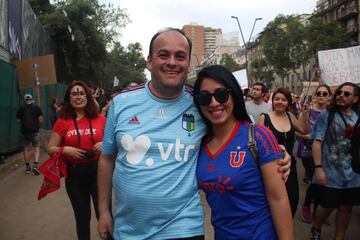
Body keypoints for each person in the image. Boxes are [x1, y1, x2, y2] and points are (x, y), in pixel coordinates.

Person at [97, 28, 291, 240]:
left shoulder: (199, 102)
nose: (172, 62)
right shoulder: (122, 102)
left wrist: (280, 155)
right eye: (164, 54)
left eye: (180, 56)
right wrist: (104, 211)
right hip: (129, 230)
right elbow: (107, 158)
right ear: (149, 61)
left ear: (188, 63)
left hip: (184, 228)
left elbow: (247, 132)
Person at [193, 65, 293, 240]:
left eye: (221, 94)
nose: (214, 103)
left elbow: (279, 200)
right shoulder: (197, 143)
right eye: (205, 97)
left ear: (234, 95)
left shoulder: (259, 137)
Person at [47, 80, 106, 240]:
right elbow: (50, 148)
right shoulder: (62, 122)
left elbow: (114, 142)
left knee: (105, 214)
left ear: (88, 96)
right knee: (82, 217)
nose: (78, 97)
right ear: (69, 98)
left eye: (81, 93)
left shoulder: (100, 119)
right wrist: (64, 149)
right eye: (74, 94)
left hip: (99, 173)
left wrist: (105, 143)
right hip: (74, 175)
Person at [310, 82, 360, 240]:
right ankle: (316, 227)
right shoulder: (327, 114)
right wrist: (318, 168)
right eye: (339, 93)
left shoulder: (358, 117)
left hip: (353, 175)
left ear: (356, 98)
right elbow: (317, 142)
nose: (341, 96)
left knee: (346, 208)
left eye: (346, 94)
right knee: (326, 206)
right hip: (330, 173)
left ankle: (339, 238)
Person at [259, 88, 309, 217]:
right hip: (270, 166)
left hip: (289, 165)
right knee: (271, 201)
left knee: (292, 199)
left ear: (288, 103)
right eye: (277, 99)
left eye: (283, 99)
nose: (280, 102)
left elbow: (303, 130)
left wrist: (304, 114)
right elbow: (257, 145)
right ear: (273, 101)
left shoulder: (291, 116)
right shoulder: (264, 118)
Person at [297, 85, 332, 223]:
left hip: (328, 154)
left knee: (323, 184)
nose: (322, 95)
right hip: (308, 153)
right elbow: (299, 133)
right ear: (315, 95)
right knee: (315, 182)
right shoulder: (307, 112)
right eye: (319, 93)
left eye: (325, 93)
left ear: (329, 96)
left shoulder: (333, 113)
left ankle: (319, 211)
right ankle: (306, 205)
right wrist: (313, 137)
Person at [16, 93, 43, 175]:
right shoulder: (36, 108)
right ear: (32, 100)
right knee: (36, 148)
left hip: (24, 132)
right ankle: (35, 165)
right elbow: (40, 120)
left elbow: (18, 120)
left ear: (24, 101)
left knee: (26, 149)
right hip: (34, 131)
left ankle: (28, 167)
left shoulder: (21, 109)